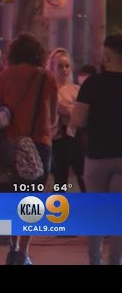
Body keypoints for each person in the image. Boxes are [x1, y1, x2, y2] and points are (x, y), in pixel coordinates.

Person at [0, 33, 58, 265]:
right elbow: (53, 115)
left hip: (11, 145)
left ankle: (12, 246)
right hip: (39, 145)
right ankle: (23, 252)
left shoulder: (3, 77)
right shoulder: (47, 78)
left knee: (13, 196)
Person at [70, 34, 122, 265]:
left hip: (97, 155)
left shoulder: (93, 83)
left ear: (107, 55)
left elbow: (78, 120)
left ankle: (95, 260)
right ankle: (116, 261)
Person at [47, 48, 86, 193]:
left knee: (83, 176)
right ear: (52, 67)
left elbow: (80, 113)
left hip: (76, 136)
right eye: (60, 66)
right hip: (58, 138)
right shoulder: (49, 90)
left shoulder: (77, 89)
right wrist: (69, 109)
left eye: (67, 66)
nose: (64, 70)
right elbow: (58, 110)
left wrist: (68, 109)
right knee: (60, 179)